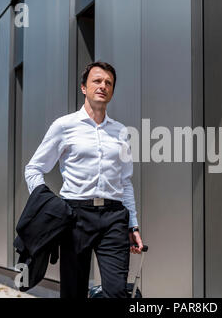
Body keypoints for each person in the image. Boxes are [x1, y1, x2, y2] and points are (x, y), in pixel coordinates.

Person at [24, 61, 143, 298]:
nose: (103, 86)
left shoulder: (121, 131)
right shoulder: (64, 126)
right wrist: (48, 205)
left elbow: (125, 181)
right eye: (97, 81)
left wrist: (133, 224)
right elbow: (34, 168)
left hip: (114, 217)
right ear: (83, 88)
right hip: (75, 216)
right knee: (73, 291)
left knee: (118, 292)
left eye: (108, 83)